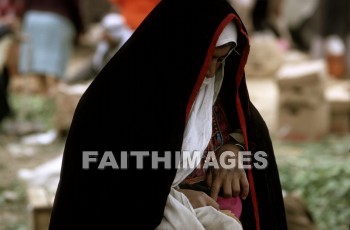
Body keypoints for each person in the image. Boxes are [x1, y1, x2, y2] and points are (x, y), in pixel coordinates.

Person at [49, 0, 287, 229]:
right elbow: (110, 187)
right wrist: (175, 198)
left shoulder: (219, 90)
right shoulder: (118, 102)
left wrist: (234, 149)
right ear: (181, 50)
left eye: (221, 60)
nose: (212, 71)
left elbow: (251, 136)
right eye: (208, 58)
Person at [18, 0, 84, 96]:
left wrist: (22, 17)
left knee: (36, 58)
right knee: (57, 57)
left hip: (33, 17)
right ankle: (56, 90)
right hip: (58, 18)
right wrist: (80, 29)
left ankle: (44, 91)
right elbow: (74, 6)